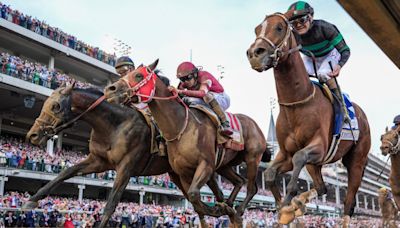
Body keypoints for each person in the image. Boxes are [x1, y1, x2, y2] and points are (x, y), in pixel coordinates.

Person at [287, 1, 350, 119]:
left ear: (311, 17)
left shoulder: (326, 28)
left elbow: (345, 50)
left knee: (322, 74)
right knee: (297, 75)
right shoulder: (293, 36)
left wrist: (339, 66)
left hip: (330, 54)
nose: (298, 25)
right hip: (311, 57)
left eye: (302, 20)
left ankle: (342, 109)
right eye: (294, 23)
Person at [171, 62, 232, 136]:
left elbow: (202, 93)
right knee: (185, 99)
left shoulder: (205, 76)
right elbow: (177, 96)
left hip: (221, 98)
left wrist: (181, 91)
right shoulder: (184, 83)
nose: (185, 81)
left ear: (195, 74)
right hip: (205, 101)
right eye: (182, 79)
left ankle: (225, 122)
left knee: (206, 96)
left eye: (188, 77)